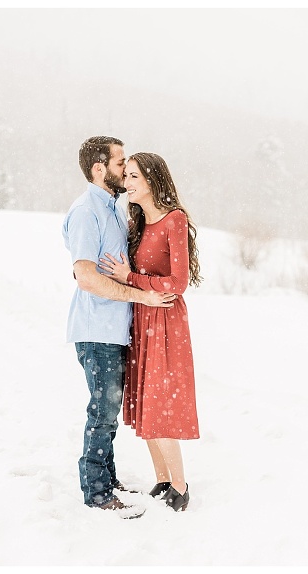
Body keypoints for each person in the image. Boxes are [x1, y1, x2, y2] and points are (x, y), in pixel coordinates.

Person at [63, 136, 177, 519]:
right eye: (119, 163)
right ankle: (96, 492)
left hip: (115, 329)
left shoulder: (113, 208)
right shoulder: (86, 212)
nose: (125, 170)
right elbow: (85, 276)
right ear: (99, 169)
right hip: (97, 331)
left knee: (109, 411)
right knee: (102, 411)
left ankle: (106, 480)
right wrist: (143, 297)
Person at [100, 152, 202, 513]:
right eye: (126, 176)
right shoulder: (138, 222)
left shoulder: (174, 220)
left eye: (134, 178)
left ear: (153, 181)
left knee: (160, 405)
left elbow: (177, 283)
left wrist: (130, 279)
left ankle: (180, 486)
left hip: (165, 321)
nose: (127, 183)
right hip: (142, 318)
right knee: (146, 404)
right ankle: (161, 480)